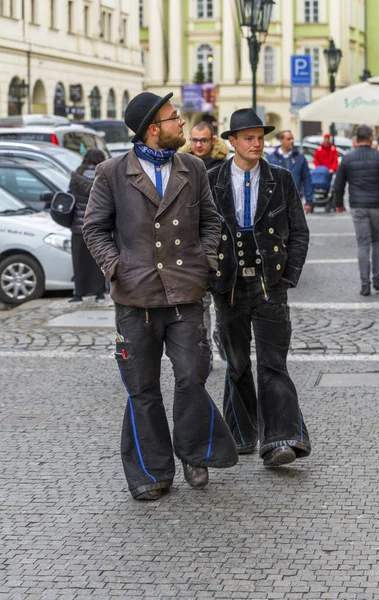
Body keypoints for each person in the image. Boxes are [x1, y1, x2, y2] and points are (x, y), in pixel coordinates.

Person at [83, 92, 238, 501]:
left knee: (192, 376)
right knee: (142, 386)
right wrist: (117, 267)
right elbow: (94, 228)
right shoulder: (112, 172)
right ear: (153, 128)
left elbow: (211, 221)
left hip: (187, 292)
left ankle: (194, 452)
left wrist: (205, 261)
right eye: (174, 118)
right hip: (136, 298)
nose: (182, 124)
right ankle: (151, 472)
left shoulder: (193, 167)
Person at [208, 108, 311, 467]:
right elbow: (199, 234)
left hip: (270, 286)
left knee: (273, 363)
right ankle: (240, 432)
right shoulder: (212, 179)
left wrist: (287, 277)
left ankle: (281, 439)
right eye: (248, 138)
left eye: (260, 137)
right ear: (232, 141)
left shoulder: (280, 178)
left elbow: (299, 232)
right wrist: (211, 278)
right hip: (229, 287)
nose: (257, 143)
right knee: (236, 364)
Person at [180, 121, 228, 362]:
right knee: (201, 301)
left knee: (224, 302)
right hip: (193, 243)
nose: (198, 145)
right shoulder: (182, 165)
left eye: (204, 140)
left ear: (213, 141)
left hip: (221, 241)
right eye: (195, 140)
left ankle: (222, 340)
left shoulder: (223, 167)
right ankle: (204, 350)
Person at [334, 124, 379, 296]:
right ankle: (377, 280)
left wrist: (339, 203)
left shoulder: (347, 158)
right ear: (370, 137)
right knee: (377, 241)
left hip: (358, 206)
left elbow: (339, 184)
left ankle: (365, 284)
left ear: (356, 139)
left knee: (363, 244)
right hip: (378, 205)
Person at [68, 149, 107, 303]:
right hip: (98, 224)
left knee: (79, 261)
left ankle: (78, 294)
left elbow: (70, 195)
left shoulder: (77, 175)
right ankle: (99, 293)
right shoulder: (103, 175)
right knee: (97, 260)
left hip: (78, 226)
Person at [267, 130, 313, 214]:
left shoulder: (300, 158)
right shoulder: (271, 159)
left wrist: (309, 201)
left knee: (295, 226)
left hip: (295, 200)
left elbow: (307, 179)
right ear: (281, 141)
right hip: (276, 202)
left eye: (292, 138)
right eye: (288, 139)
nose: (292, 141)